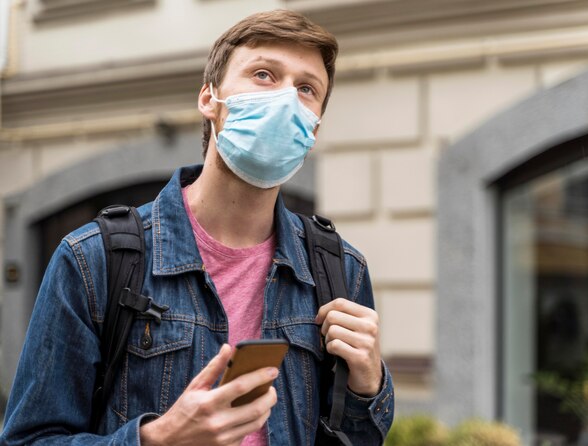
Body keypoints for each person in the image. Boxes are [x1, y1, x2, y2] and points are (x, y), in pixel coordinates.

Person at [0, 9, 394, 446]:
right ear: (209, 99)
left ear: (315, 127)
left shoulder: (339, 269)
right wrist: (157, 439)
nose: (286, 100)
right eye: (264, 75)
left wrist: (368, 385)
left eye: (306, 89)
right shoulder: (95, 260)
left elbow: (356, 439)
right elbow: (28, 439)